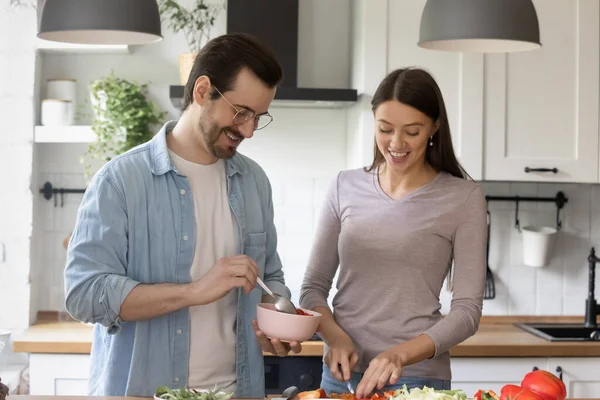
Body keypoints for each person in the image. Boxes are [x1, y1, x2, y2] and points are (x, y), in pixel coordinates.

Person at [64, 32, 301, 398]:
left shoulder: (254, 182)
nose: (249, 130)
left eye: (259, 117)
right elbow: (84, 293)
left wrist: (277, 323)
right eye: (241, 112)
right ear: (203, 90)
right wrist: (194, 292)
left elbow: (270, 276)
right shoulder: (121, 181)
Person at [299, 67, 487, 398]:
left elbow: (467, 312)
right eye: (385, 129)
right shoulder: (345, 186)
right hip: (341, 376)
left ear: (434, 127)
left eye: (412, 132)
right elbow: (313, 289)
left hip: (417, 380)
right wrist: (334, 337)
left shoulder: (463, 198)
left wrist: (399, 354)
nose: (396, 144)